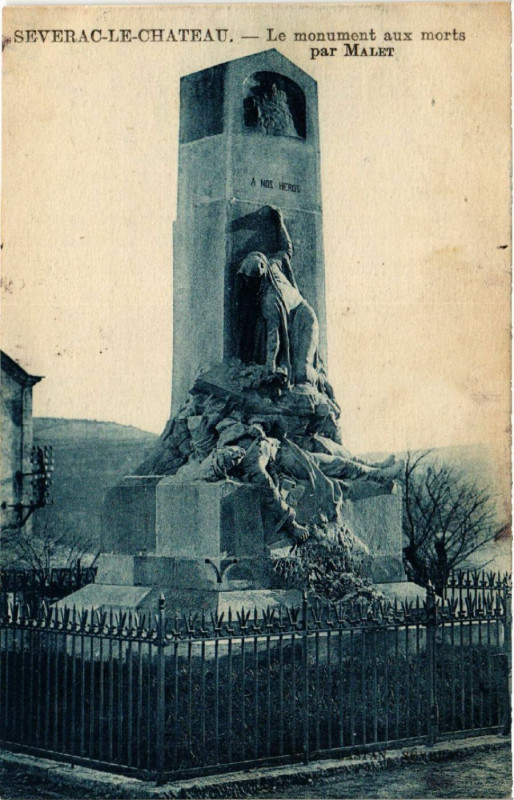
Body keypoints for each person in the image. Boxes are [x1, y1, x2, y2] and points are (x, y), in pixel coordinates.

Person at [238, 208, 319, 386]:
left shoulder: (270, 300)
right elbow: (286, 248)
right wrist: (279, 221)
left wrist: (270, 365)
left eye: (250, 280)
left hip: (304, 321)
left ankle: (321, 385)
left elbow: (273, 336)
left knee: (301, 373)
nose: (247, 283)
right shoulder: (272, 265)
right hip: (292, 320)